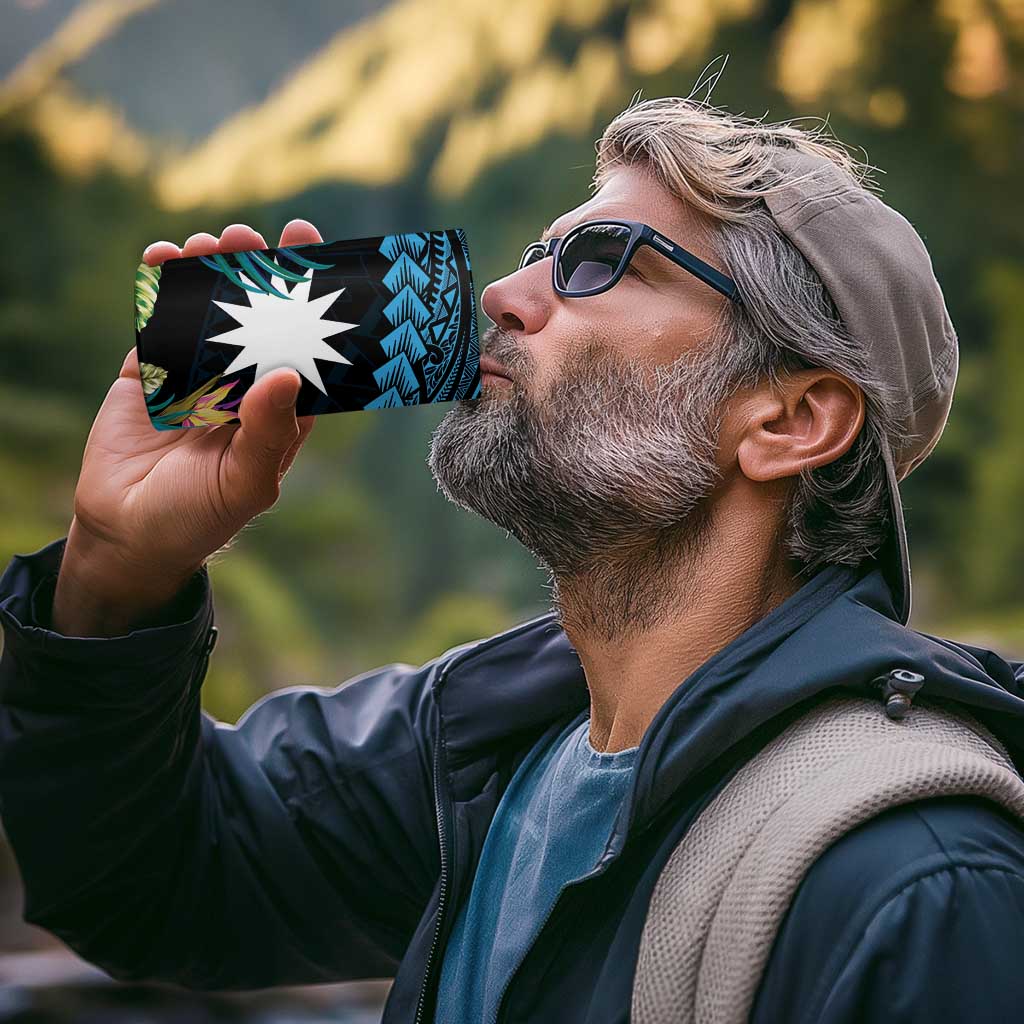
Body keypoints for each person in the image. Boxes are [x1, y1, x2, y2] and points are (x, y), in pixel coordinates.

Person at [2, 93, 1024, 1024]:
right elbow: (148, 879)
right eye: (539, 252)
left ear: (791, 419)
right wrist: (115, 570)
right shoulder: (479, 748)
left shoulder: (918, 884)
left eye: (599, 262)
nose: (501, 293)